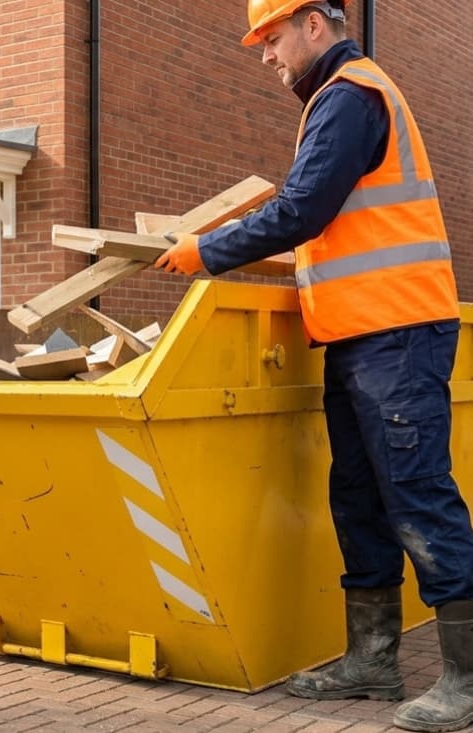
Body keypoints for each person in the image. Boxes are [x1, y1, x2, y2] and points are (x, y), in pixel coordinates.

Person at [155, 2, 473, 731]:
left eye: (270, 39)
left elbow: (303, 209)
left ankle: (466, 678)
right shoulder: (340, 99)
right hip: (362, 336)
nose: (265, 55)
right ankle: (371, 659)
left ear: (314, 25)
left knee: (419, 495)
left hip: (397, 332)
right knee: (359, 497)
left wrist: (207, 249)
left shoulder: (351, 96)